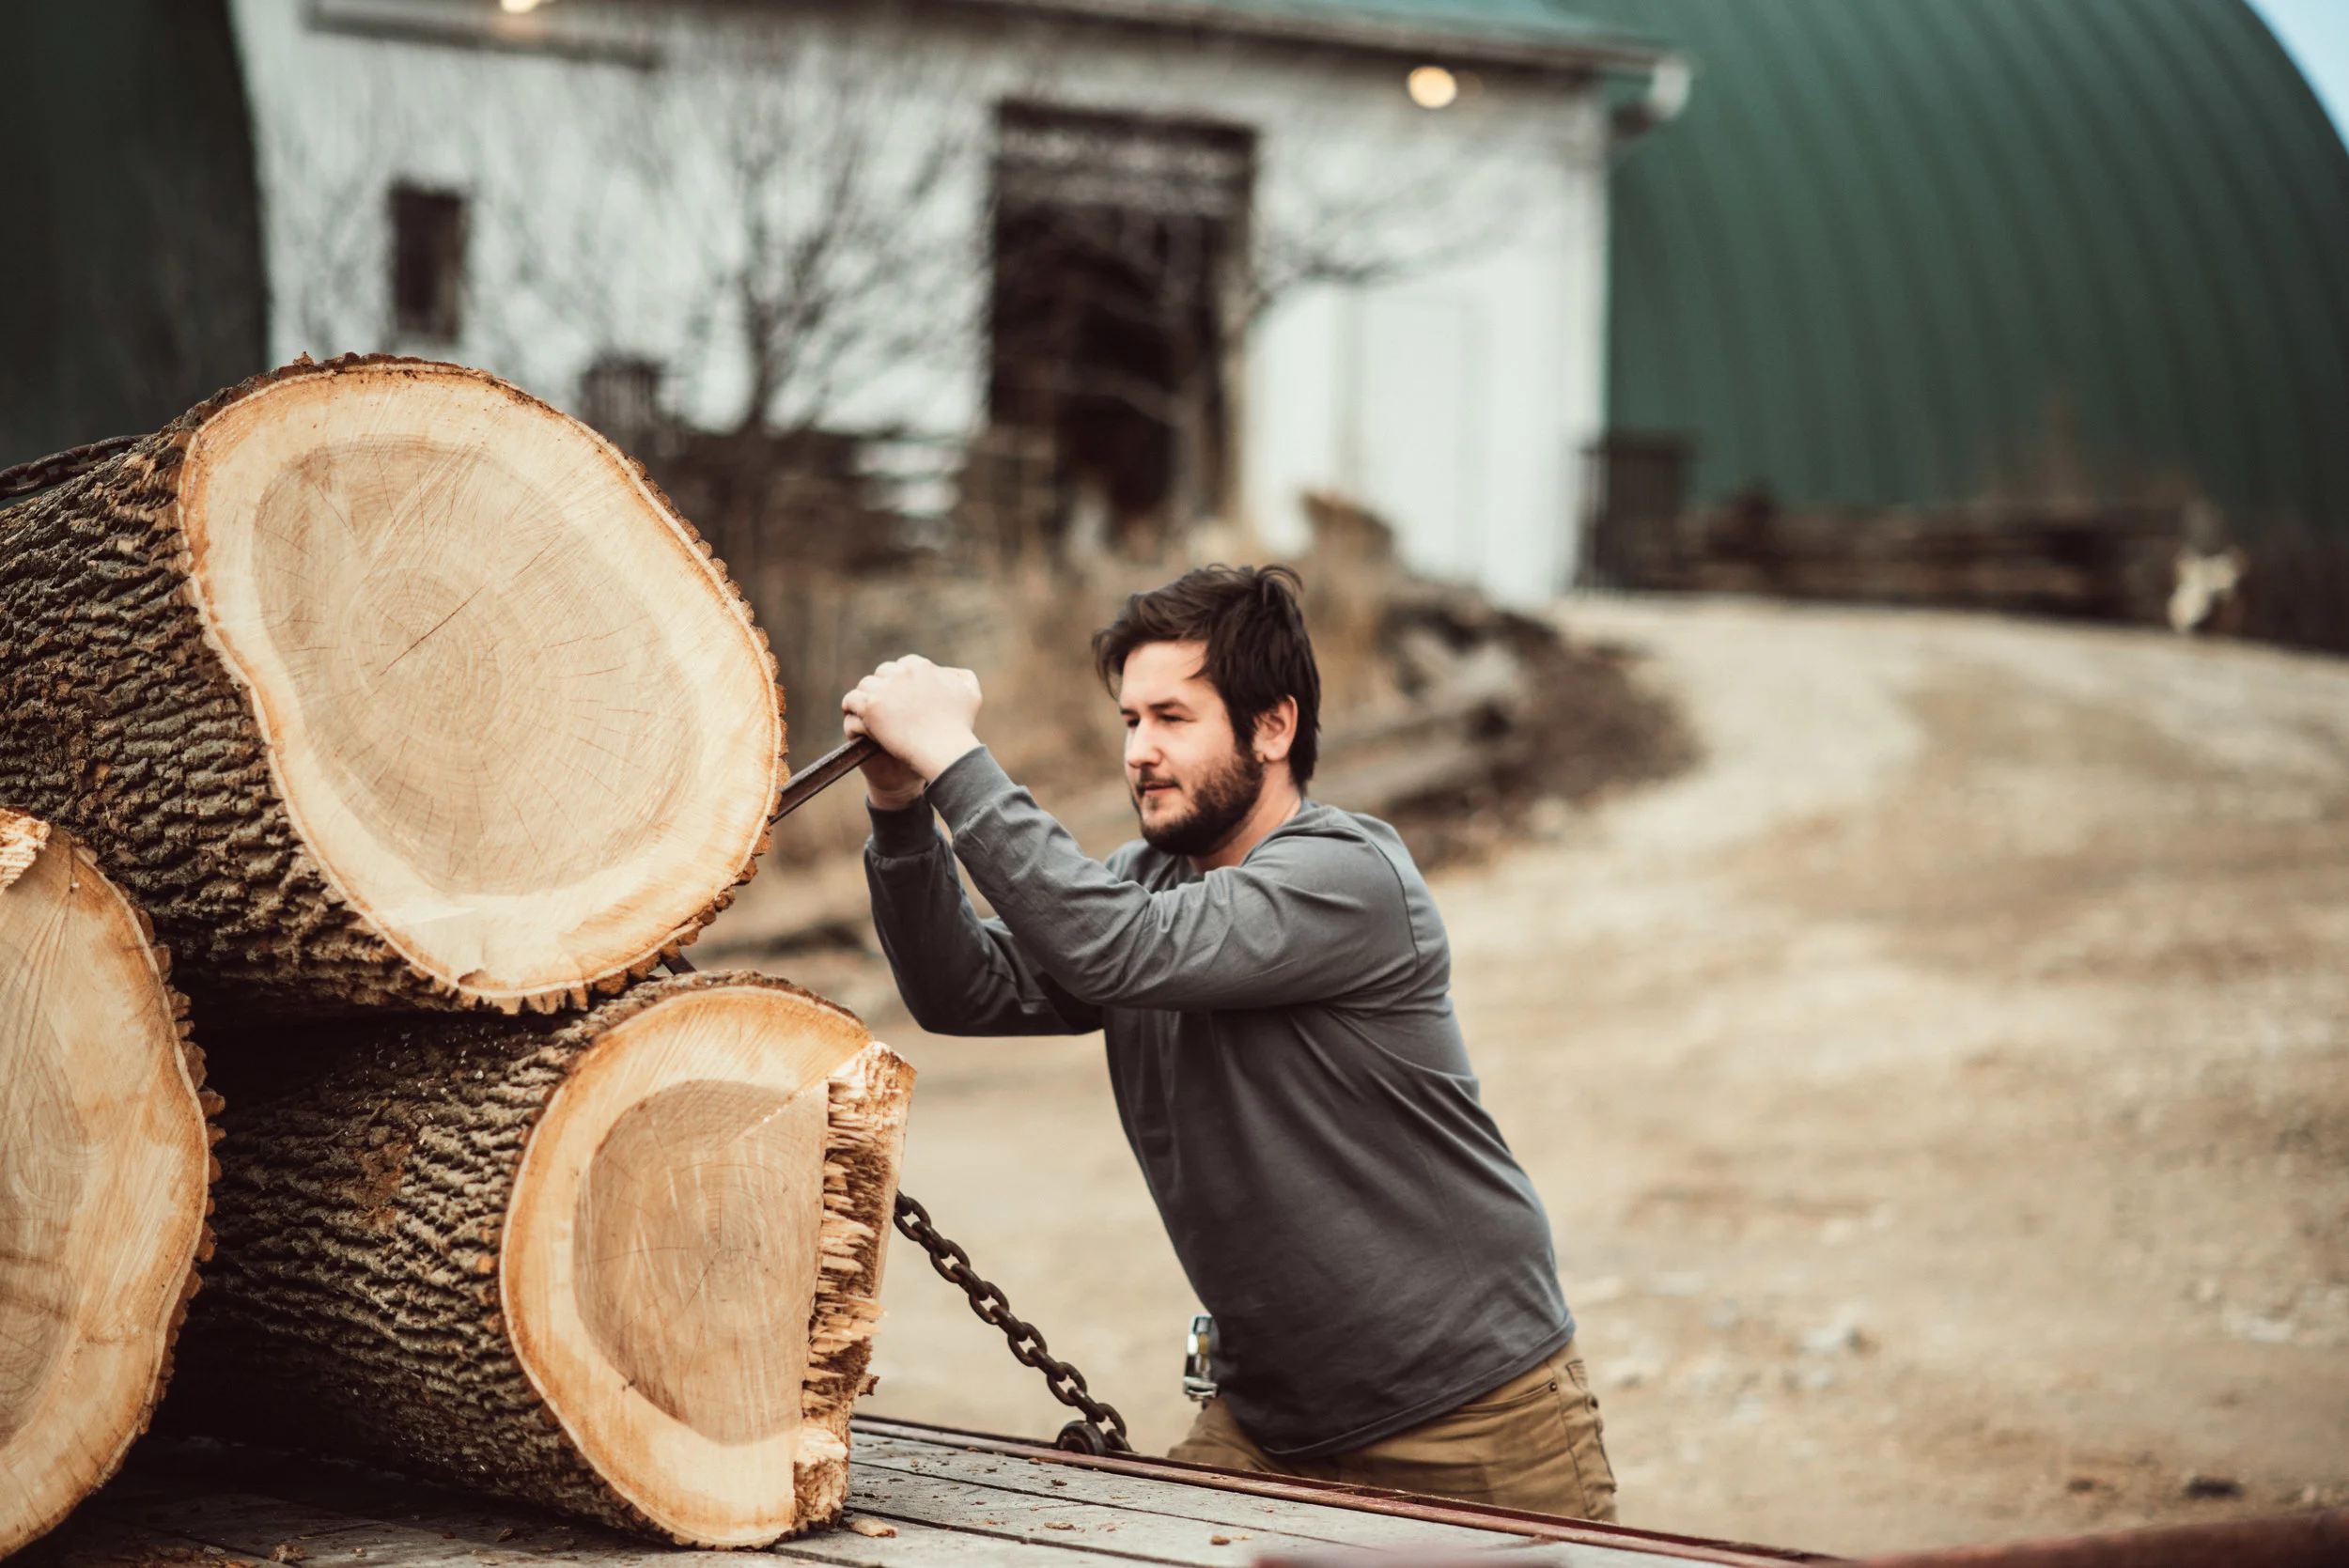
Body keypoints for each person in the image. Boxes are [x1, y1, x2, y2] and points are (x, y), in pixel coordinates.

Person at [841, 564, 1614, 1519]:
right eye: (1130, 721)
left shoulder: (1348, 878)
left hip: (1470, 1422)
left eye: (1172, 717)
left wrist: (955, 753)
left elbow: (1113, 947)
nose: (1139, 750)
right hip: (1265, 1423)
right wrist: (900, 804)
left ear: (1272, 726)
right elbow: (962, 989)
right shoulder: (1148, 882)